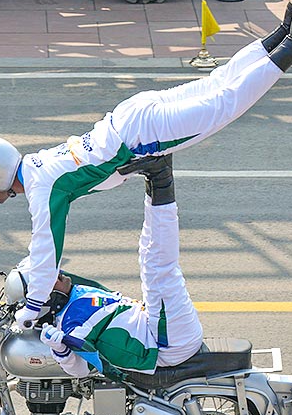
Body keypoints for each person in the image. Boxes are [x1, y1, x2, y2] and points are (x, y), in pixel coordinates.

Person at [0, 3, 292, 327]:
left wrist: (30, 313)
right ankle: (287, 27)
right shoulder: (36, 167)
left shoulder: (42, 187)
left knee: (226, 104)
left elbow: (47, 251)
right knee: (216, 85)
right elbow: (39, 252)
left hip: (141, 135)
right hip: (130, 114)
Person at [32, 156, 201, 376]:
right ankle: (160, 177)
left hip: (161, 332)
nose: (59, 272)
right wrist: (61, 351)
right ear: (47, 297)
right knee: (157, 267)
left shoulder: (74, 292)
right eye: (51, 277)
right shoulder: (69, 324)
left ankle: (158, 175)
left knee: (151, 257)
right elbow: (83, 370)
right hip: (165, 344)